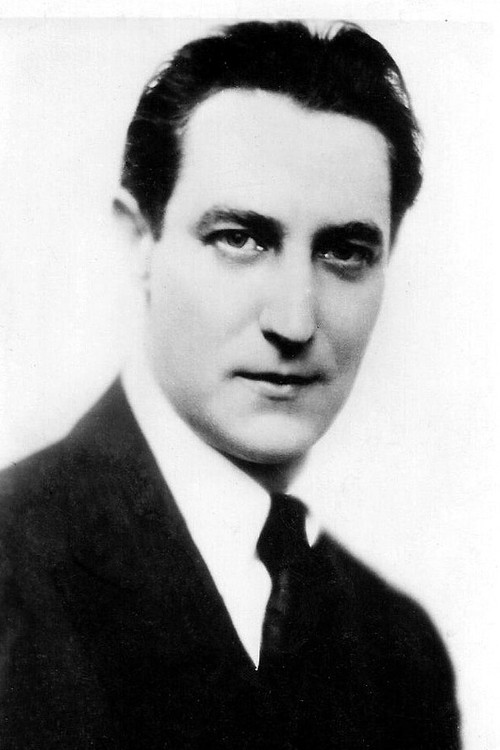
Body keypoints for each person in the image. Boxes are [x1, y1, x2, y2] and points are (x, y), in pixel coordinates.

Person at [0, 19, 460, 749]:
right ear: (138, 242)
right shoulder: (12, 570)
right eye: (240, 239)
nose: (295, 321)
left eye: (344, 252)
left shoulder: (400, 652)